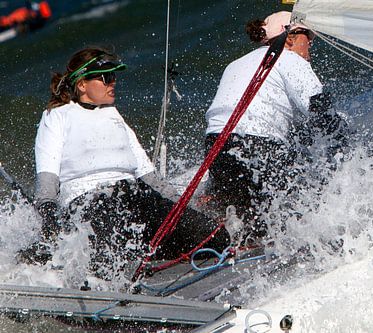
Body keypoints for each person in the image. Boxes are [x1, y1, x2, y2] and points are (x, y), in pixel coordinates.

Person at [18, 46, 230, 279]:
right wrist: (49, 215)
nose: (113, 82)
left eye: (114, 76)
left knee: (217, 238)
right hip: (92, 203)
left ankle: (146, 261)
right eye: (106, 78)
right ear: (82, 85)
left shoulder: (113, 114)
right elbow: (47, 179)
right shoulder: (57, 116)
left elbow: (149, 176)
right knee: (107, 264)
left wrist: (183, 208)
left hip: (136, 195)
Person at [204, 11, 348, 242]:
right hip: (257, 147)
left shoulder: (235, 64)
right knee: (292, 219)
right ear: (289, 37)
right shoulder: (289, 58)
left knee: (255, 224)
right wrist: (353, 150)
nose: (311, 44)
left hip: (215, 151)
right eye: (308, 37)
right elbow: (320, 111)